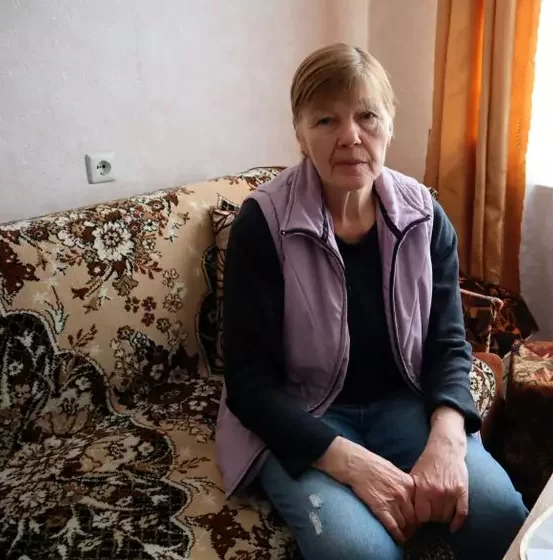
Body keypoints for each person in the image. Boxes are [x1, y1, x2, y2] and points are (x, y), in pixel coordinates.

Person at [215, 43, 528, 560]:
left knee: (502, 516)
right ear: (300, 134)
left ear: (390, 124)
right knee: (359, 553)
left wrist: (448, 438)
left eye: (367, 116)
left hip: (403, 401)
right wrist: (351, 463)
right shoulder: (263, 224)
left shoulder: (424, 216)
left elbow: (448, 343)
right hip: (304, 414)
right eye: (326, 120)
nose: (350, 136)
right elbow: (249, 385)